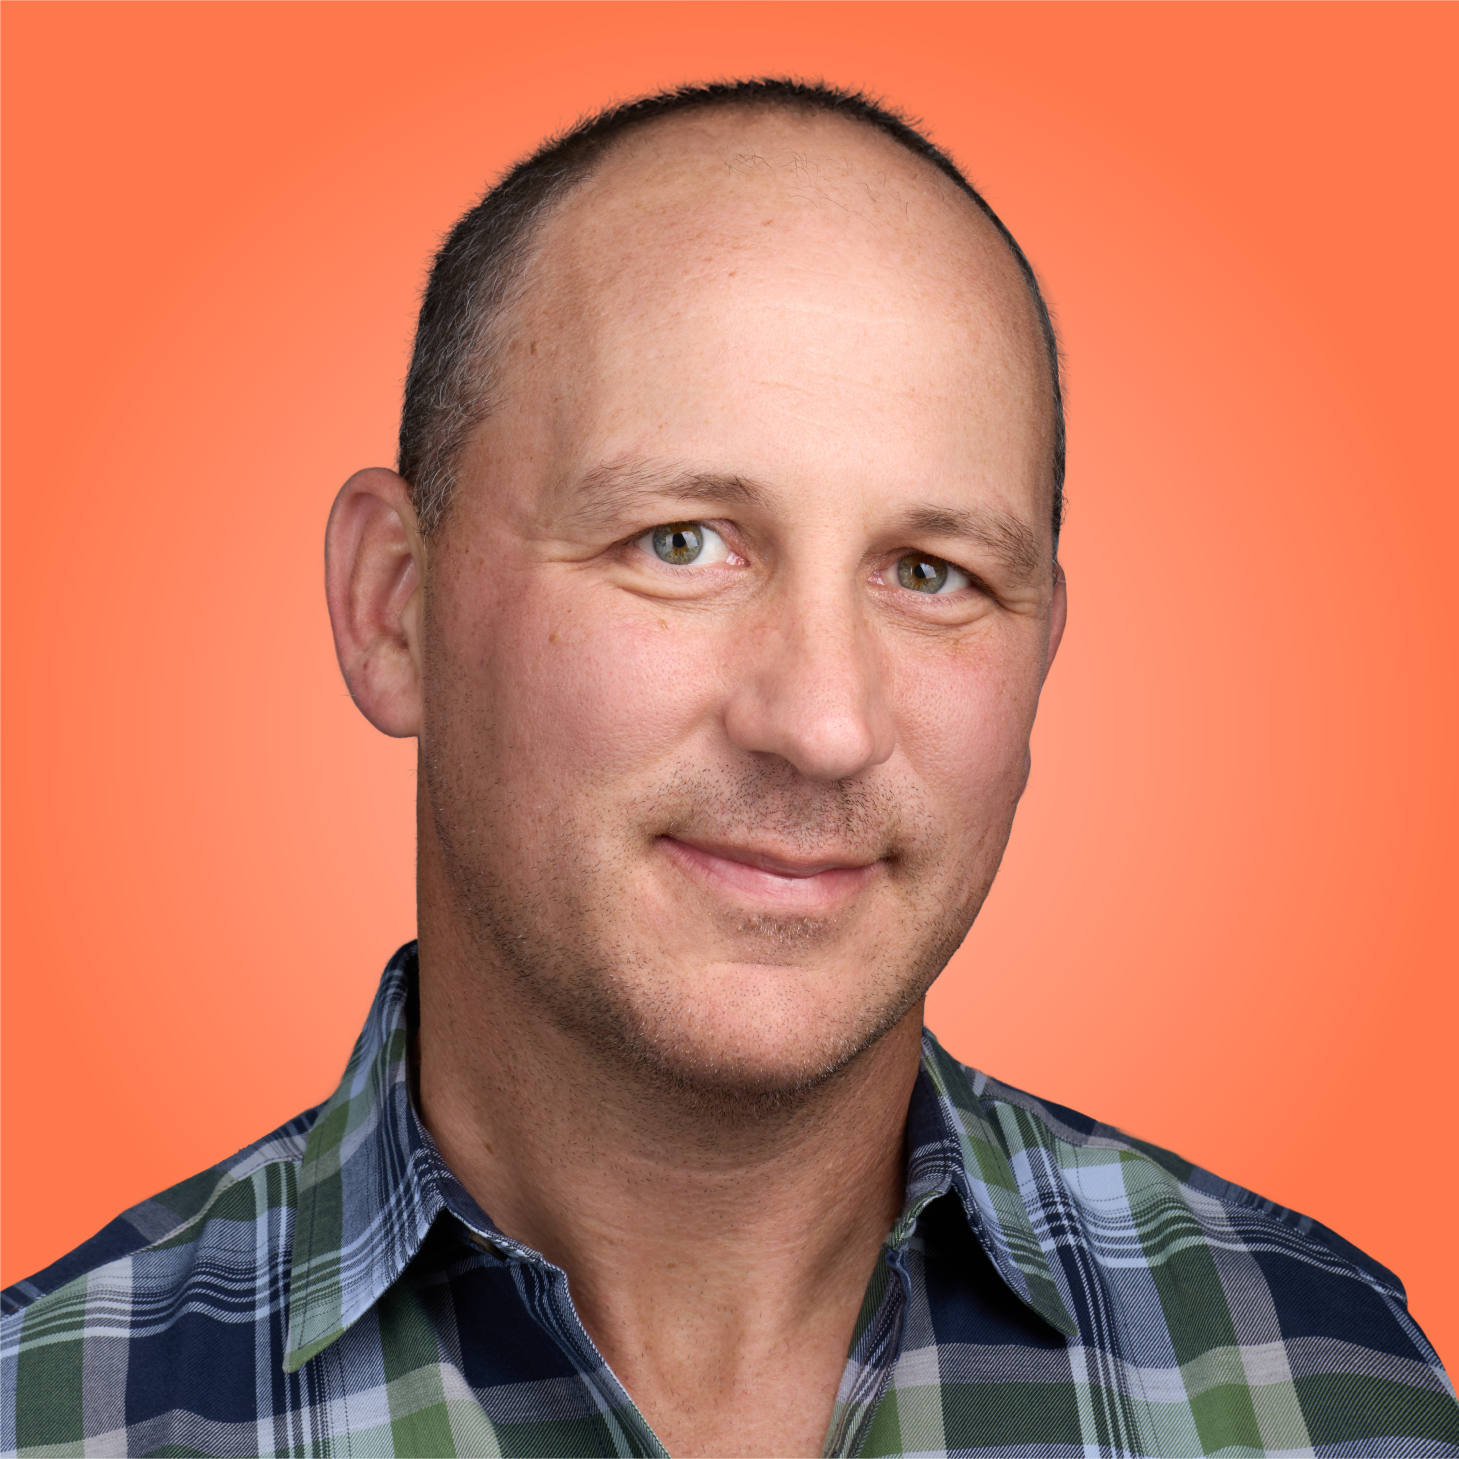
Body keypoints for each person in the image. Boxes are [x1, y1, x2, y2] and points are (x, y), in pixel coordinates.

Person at [2, 77, 1454, 1459]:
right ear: (395, 607)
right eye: (680, 543)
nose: (821, 723)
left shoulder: (1333, 1389)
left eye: (931, 572)